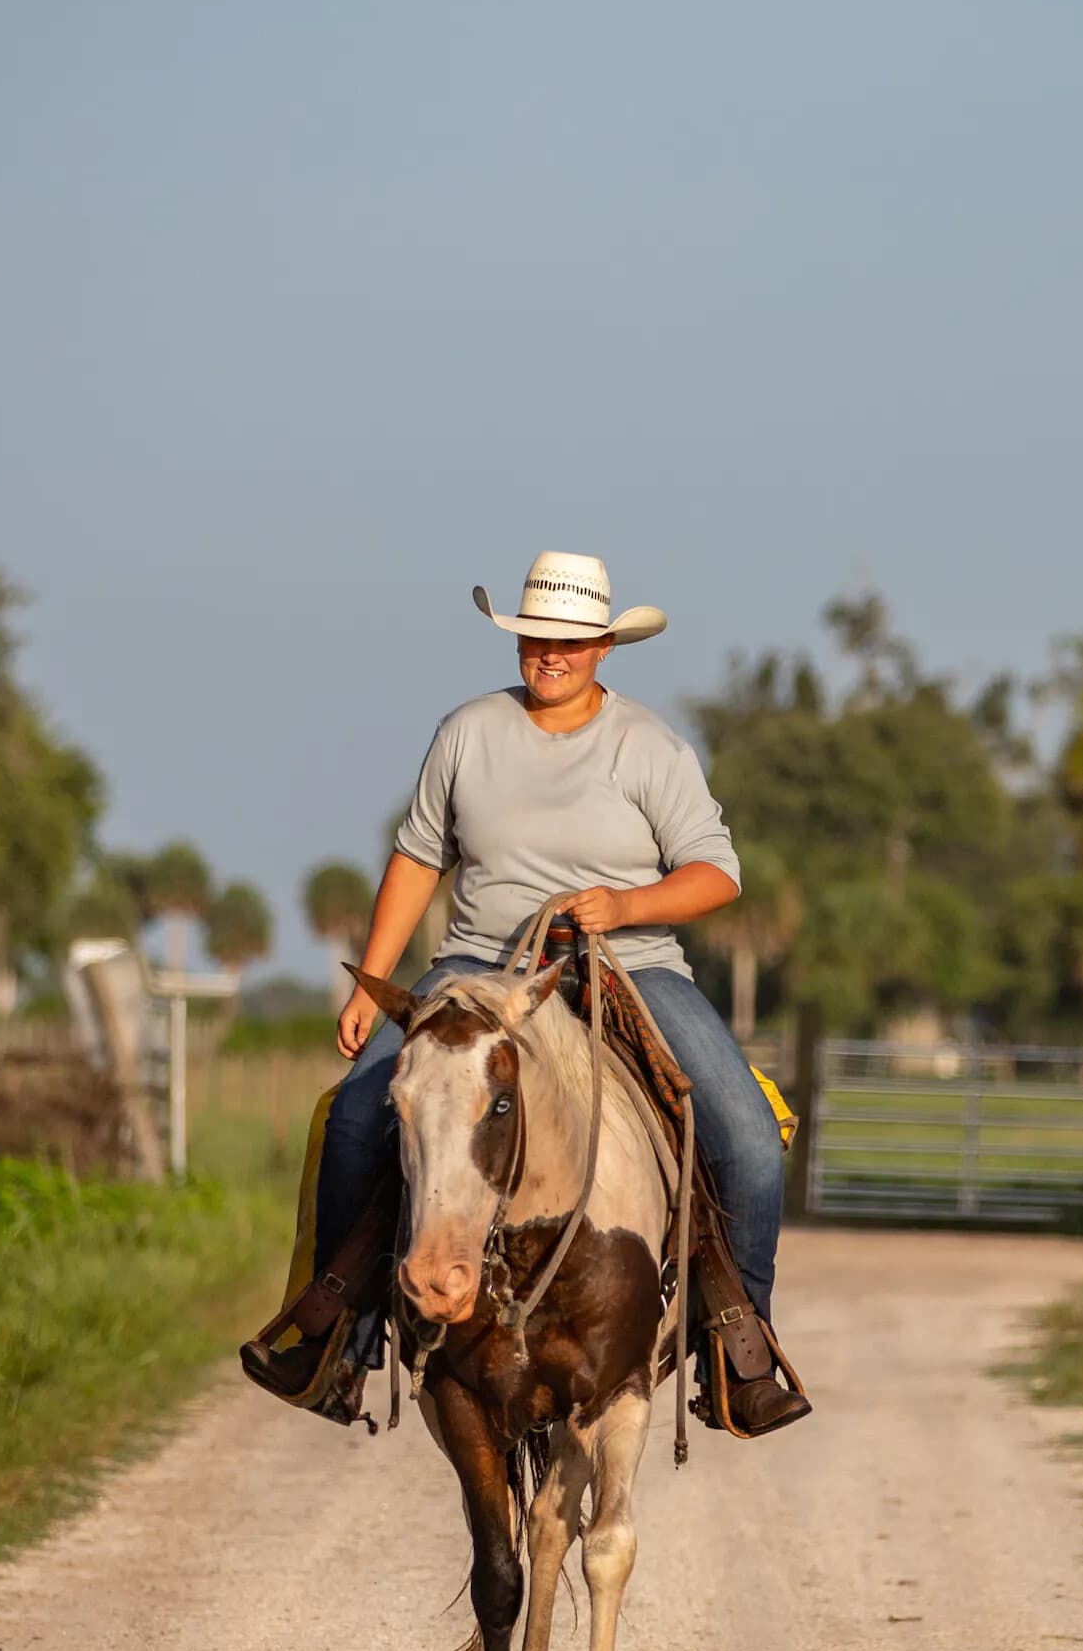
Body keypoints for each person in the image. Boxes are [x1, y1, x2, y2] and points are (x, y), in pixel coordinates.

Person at [283, 552, 806, 1434]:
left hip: (628, 964)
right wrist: (375, 985)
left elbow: (717, 874)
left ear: (604, 645)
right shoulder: (467, 732)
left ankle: (735, 1348)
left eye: (569, 641)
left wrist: (625, 905)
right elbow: (419, 857)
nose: (549, 654)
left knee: (750, 1140)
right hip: (478, 963)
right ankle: (341, 1332)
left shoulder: (648, 746)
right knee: (359, 1116)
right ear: (518, 639)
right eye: (536, 638)